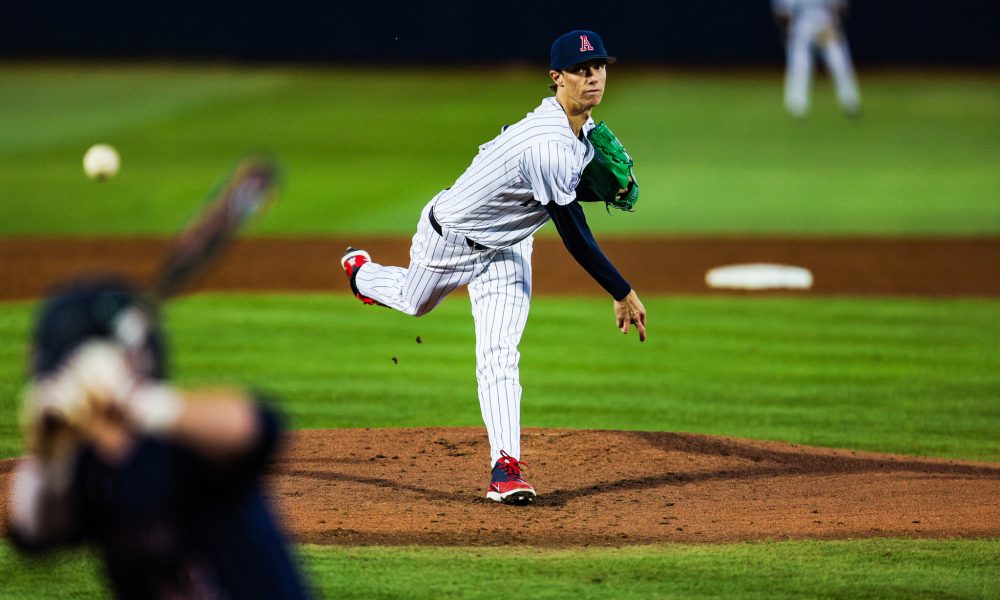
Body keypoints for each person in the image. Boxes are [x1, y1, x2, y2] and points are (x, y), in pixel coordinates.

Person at [339, 30, 647, 505]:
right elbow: (573, 230)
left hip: (508, 246)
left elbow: (559, 189)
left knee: (499, 354)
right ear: (556, 77)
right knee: (413, 302)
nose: (593, 77)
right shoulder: (546, 141)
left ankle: (505, 469)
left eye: (599, 67)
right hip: (450, 239)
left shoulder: (580, 132)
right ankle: (362, 274)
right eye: (581, 70)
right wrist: (621, 290)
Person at [6, 275, 312, 599]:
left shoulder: (184, 444)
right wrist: (50, 462)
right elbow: (34, 534)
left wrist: (134, 399)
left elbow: (256, 426)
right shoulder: (86, 470)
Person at [773, 0, 862, 117]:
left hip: (826, 28)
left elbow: (842, 7)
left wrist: (834, 24)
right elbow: (782, 12)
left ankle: (850, 103)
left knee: (839, 64)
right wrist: (788, 31)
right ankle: (796, 107)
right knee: (799, 68)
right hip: (801, 30)